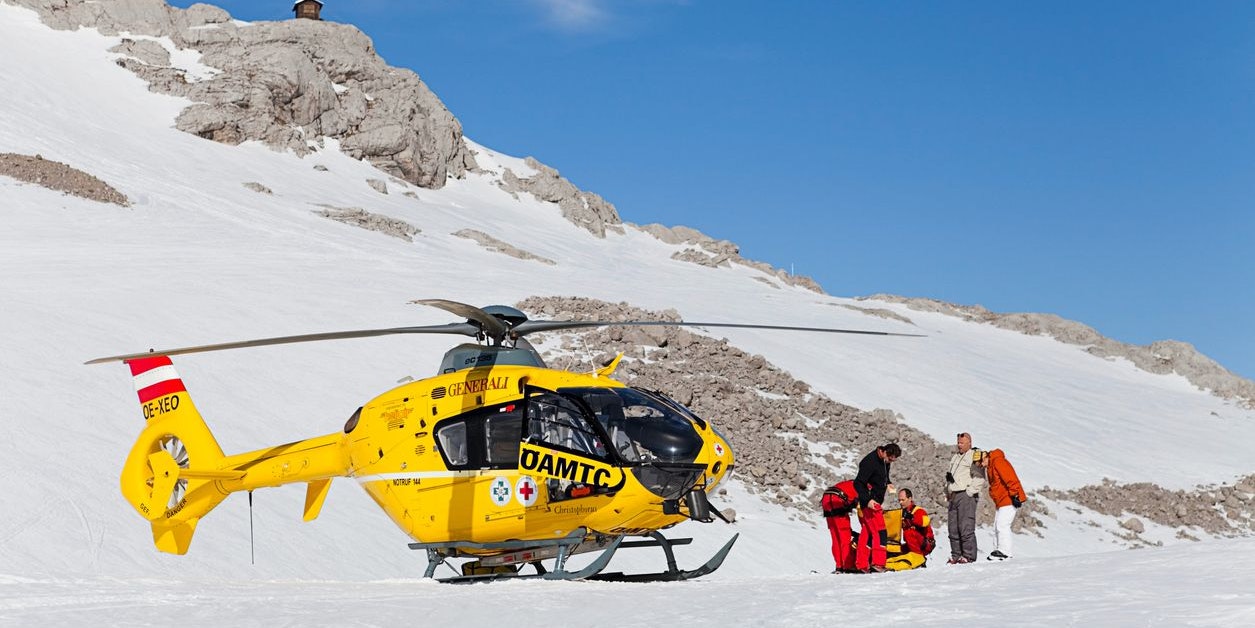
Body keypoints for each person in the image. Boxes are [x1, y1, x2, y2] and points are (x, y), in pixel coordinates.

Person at [854, 443, 902, 573]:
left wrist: (888, 483)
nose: (891, 461)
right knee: (880, 531)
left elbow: (882, 477)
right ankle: (878, 563)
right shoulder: (869, 462)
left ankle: (862, 565)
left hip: (875, 501)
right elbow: (858, 483)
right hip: (870, 502)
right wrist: (868, 500)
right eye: (891, 458)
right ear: (884, 452)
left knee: (867, 533)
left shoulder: (884, 461)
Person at [945, 432, 985, 564]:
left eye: (962, 443)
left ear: (969, 443)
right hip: (953, 495)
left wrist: (970, 492)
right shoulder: (956, 457)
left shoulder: (973, 455)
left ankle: (968, 555)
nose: (959, 445)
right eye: (958, 442)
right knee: (953, 528)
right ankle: (956, 555)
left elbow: (979, 476)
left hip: (965, 495)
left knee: (965, 526)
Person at [982, 448, 1027, 561]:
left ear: (985, 457)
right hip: (1001, 501)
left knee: (1002, 525)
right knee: (996, 526)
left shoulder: (998, 461)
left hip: (1009, 499)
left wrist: (1015, 495)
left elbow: (1010, 478)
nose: (981, 465)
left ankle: (1005, 552)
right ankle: (997, 550)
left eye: (981, 462)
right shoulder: (990, 466)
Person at [885, 487, 935, 571]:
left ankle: (918, 558)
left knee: (908, 532)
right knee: (895, 549)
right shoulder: (902, 513)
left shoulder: (918, 510)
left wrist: (912, 517)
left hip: (926, 544)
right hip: (912, 544)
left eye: (903, 500)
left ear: (910, 499)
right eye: (899, 500)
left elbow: (925, 521)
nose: (900, 502)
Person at [821, 479, 858, 573]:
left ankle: (839, 566)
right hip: (837, 500)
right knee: (845, 537)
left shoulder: (850, 483)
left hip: (826, 500)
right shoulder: (865, 485)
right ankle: (847, 566)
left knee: (836, 537)